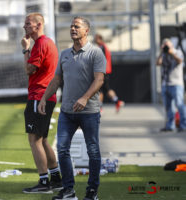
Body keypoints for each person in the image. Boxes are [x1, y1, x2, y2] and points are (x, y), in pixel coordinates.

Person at [38, 16, 106, 200]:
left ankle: (92, 192)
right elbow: (57, 80)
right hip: (67, 112)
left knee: (93, 150)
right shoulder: (65, 54)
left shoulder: (96, 53)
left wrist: (84, 98)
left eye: (77, 26)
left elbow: (99, 80)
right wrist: (44, 98)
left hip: (89, 112)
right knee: (62, 149)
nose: (72, 28)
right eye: (71, 26)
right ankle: (68, 190)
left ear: (86, 31)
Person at [21, 12, 62, 194]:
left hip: (40, 96)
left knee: (34, 139)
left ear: (38, 25)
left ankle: (44, 182)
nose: (25, 27)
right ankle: (56, 178)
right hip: (47, 96)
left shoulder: (40, 44)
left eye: (28, 24)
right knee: (43, 139)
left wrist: (25, 49)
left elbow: (29, 69)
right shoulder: (49, 43)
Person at [156, 38, 186, 132]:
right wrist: (162, 52)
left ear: (171, 45)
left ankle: (183, 125)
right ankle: (170, 126)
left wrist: (171, 52)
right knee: (168, 107)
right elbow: (157, 63)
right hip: (165, 84)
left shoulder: (177, 52)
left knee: (180, 105)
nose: (166, 48)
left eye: (167, 45)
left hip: (176, 84)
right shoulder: (163, 54)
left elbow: (180, 61)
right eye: (165, 46)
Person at [94, 33, 124, 113]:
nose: (94, 40)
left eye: (96, 38)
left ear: (99, 39)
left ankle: (100, 108)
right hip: (105, 71)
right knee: (106, 89)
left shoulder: (102, 47)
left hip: (103, 71)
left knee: (99, 90)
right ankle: (117, 101)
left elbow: (100, 59)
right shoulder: (103, 47)